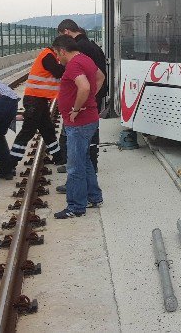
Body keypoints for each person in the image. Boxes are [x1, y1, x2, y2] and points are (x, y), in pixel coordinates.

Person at [51, 35, 104, 219]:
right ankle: (94, 197)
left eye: (57, 54)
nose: (58, 58)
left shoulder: (73, 64)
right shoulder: (85, 59)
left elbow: (84, 87)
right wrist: (89, 101)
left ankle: (75, 207)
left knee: (74, 166)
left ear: (62, 50)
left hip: (79, 123)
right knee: (85, 160)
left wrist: (75, 108)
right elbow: (100, 77)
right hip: (89, 119)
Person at [56, 19, 107, 172]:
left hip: (83, 104)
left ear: (66, 32)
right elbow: (100, 76)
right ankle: (87, 167)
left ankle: (80, 168)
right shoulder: (90, 45)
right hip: (89, 101)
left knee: (82, 140)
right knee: (89, 137)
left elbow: (84, 85)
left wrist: (83, 101)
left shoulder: (80, 49)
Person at [8, 47, 63, 167]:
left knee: (47, 129)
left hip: (39, 100)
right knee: (28, 130)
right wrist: (69, 63)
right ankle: (10, 163)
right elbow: (58, 72)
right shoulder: (48, 55)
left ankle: (58, 157)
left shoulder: (50, 56)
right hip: (34, 99)